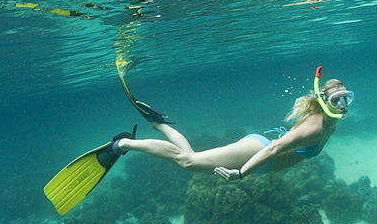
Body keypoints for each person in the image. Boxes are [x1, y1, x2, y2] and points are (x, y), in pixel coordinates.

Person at [112, 65, 352, 182]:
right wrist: (240, 173)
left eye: (346, 97)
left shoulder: (329, 120)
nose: (343, 104)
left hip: (260, 153)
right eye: (336, 99)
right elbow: (274, 149)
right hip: (258, 151)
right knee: (187, 161)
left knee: (189, 158)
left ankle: (158, 123)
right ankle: (124, 144)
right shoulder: (316, 127)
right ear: (323, 100)